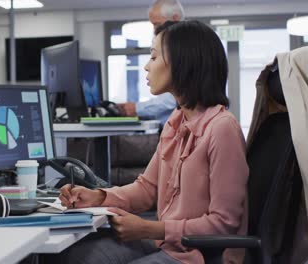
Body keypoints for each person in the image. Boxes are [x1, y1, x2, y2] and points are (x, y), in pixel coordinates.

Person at [58, 20, 249, 264]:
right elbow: (147, 190)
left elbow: (224, 224)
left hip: (196, 256)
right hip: (167, 244)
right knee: (76, 257)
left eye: (154, 57)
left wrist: (150, 229)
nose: (147, 67)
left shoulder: (222, 129)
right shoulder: (177, 121)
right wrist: (97, 196)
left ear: (183, 64)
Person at [117, 0, 184, 126]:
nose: (154, 30)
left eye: (157, 25)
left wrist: (137, 108)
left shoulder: (185, 50)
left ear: (175, 18)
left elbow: (174, 98)